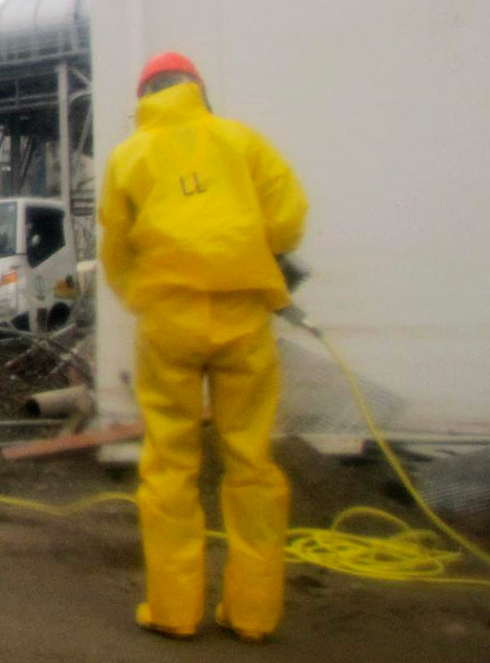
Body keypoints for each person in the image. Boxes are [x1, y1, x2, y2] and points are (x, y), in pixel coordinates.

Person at [97, 52, 308, 643]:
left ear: (145, 98)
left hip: (168, 321)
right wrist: (239, 248)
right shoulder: (242, 142)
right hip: (244, 315)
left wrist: (142, 298)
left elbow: (116, 250)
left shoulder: (128, 156)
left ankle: (173, 610)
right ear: (199, 92)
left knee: (169, 463)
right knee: (251, 463)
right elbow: (289, 221)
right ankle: (253, 615)